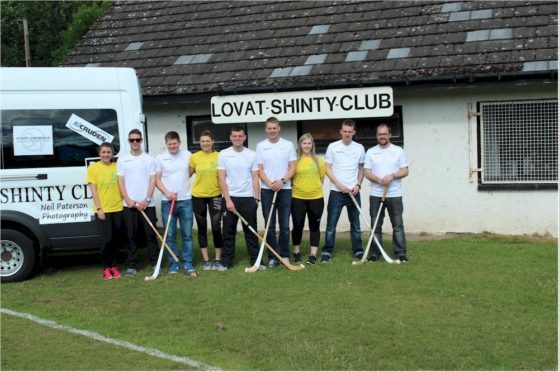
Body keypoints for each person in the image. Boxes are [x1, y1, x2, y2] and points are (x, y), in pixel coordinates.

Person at [364, 123, 409, 262]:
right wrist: (378, 179)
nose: (382, 136)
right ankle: (375, 253)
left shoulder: (398, 151)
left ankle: (400, 252)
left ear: (390, 135)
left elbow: (405, 170)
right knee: (375, 225)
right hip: (376, 194)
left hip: (394, 194)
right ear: (377, 136)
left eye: (384, 134)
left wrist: (392, 176)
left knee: (398, 225)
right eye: (379, 134)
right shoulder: (371, 152)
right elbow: (366, 172)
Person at [217, 126, 261, 270]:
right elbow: (221, 178)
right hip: (230, 199)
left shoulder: (252, 154)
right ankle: (226, 262)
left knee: (251, 232)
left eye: (240, 136)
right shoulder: (223, 154)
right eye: (235, 136)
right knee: (228, 232)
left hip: (247, 198)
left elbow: (255, 177)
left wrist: (257, 199)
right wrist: (228, 200)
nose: (237, 138)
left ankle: (256, 262)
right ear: (230, 137)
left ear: (244, 137)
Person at [321, 119, 365, 263]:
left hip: (354, 192)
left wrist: (358, 185)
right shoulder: (332, 147)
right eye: (344, 131)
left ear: (354, 133)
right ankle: (327, 252)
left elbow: (361, 169)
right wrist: (339, 185)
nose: (347, 134)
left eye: (349, 132)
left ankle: (358, 251)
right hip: (336, 192)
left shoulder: (359, 148)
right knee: (331, 225)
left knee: (356, 225)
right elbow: (327, 168)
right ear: (341, 132)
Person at [255, 116, 296, 268]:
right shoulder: (260, 146)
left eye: (274, 128)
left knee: (284, 225)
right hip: (267, 190)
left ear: (279, 128)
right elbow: (259, 169)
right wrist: (269, 183)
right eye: (269, 128)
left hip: (284, 190)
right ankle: (272, 256)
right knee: (270, 225)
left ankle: (284, 255)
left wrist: (282, 181)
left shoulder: (288, 145)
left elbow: (293, 167)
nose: (272, 131)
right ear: (266, 129)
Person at [117, 129, 159, 277]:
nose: (135, 142)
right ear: (129, 141)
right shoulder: (123, 160)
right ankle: (132, 264)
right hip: (129, 205)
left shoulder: (149, 159)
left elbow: (153, 180)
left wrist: (146, 200)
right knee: (131, 235)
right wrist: (128, 199)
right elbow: (120, 181)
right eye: (132, 140)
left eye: (137, 139)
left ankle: (155, 263)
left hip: (147, 204)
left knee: (150, 235)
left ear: (141, 140)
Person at [155, 131, 196, 275]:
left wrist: (182, 184)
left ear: (179, 142)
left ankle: (188, 262)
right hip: (168, 202)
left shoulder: (188, 155)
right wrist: (168, 193)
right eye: (169, 144)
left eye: (174, 143)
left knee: (187, 234)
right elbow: (157, 179)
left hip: (185, 201)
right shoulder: (160, 158)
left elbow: (190, 172)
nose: (172, 146)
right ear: (166, 144)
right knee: (170, 234)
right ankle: (174, 263)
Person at [87, 142, 123, 280]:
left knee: (116, 240)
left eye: (108, 152)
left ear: (112, 154)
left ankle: (114, 267)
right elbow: (93, 190)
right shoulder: (94, 168)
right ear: (99, 153)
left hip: (118, 208)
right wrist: (99, 208)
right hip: (103, 210)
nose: (106, 155)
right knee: (106, 240)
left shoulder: (117, 167)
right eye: (103, 152)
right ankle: (106, 268)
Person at [189, 130, 224, 271]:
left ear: (212, 142)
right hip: (198, 196)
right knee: (201, 227)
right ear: (199, 142)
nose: (205, 143)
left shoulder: (220, 156)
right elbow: (185, 175)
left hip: (215, 195)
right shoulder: (194, 157)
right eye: (202, 141)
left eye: (207, 141)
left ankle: (217, 258)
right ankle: (205, 260)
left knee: (216, 227)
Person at [291, 133, 326, 265]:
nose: (306, 146)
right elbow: (292, 178)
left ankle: (313, 254)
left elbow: (322, 178)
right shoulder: (295, 161)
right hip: (297, 198)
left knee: (314, 226)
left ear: (312, 145)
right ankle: (296, 251)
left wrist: (313, 189)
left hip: (316, 198)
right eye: (304, 143)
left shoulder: (319, 161)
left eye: (309, 143)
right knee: (297, 225)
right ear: (300, 145)